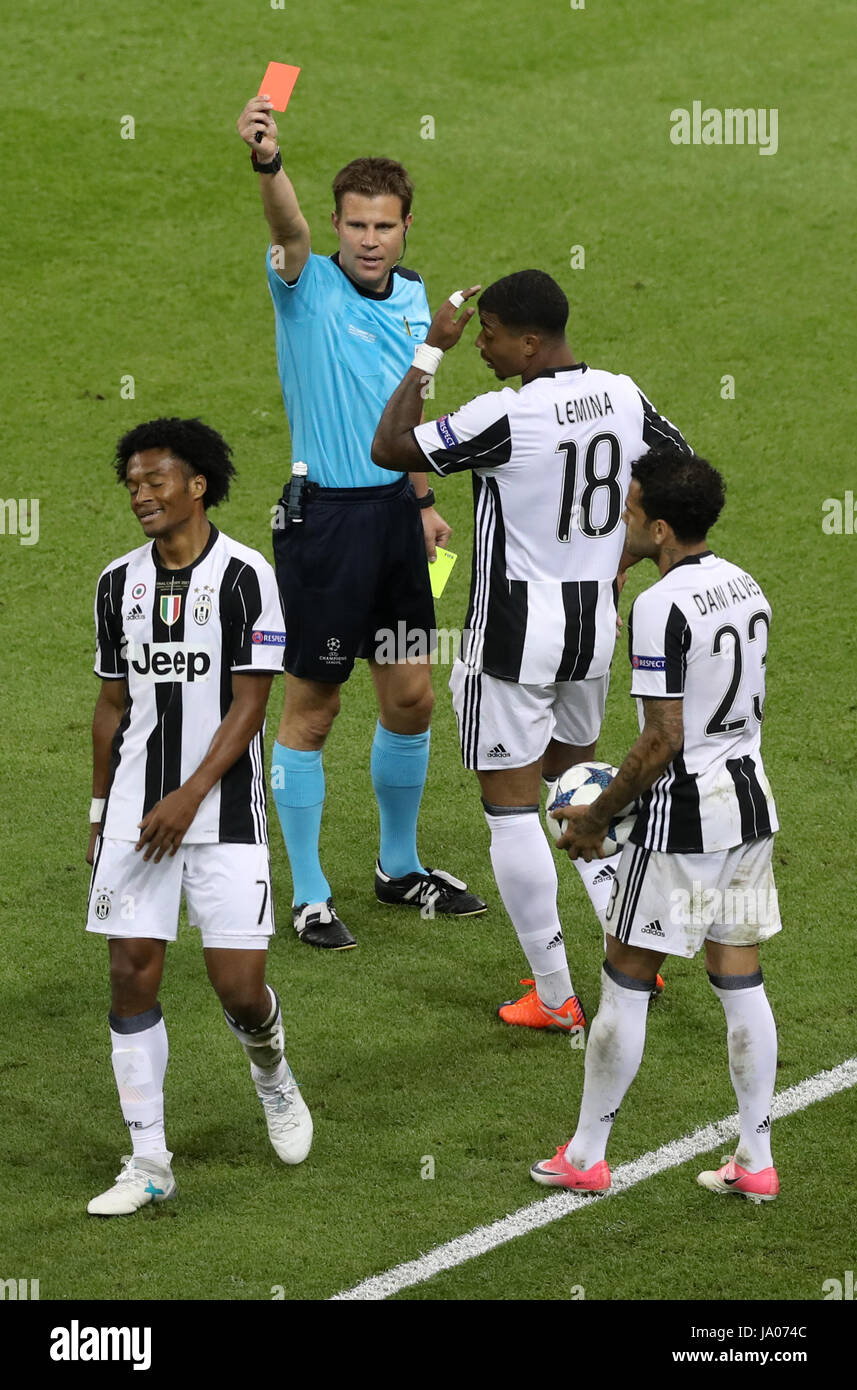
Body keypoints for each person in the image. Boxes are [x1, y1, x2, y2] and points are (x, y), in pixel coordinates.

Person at [371, 270, 690, 1031]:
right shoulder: (620, 392)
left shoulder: (506, 415)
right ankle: (635, 960)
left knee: (511, 812)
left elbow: (389, 447)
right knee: (576, 787)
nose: (477, 344)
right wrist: (632, 552)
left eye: (487, 335)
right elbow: (681, 469)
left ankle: (553, 998)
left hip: (512, 635)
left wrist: (428, 352)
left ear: (527, 341)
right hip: (592, 627)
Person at [235, 95, 485, 951]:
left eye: (383, 225)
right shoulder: (303, 281)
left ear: (405, 227)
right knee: (314, 707)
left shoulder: (418, 299)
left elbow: (402, 413)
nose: (368, 239)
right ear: (335, 225)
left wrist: (419, 499)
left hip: (390, 519)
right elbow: (287, 224)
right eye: (355, 224)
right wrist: (269, 164)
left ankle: (397, 866)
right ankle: (306, 891)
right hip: (325, 526)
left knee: (412, 698)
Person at [530, 444, 782, 1201]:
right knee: (738, 981)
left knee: (626, 979)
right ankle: (755, 1158)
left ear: (663, 527)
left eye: (632, 509)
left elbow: (660, 738)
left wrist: (597, 819)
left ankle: (585, 1153)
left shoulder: (660, 606)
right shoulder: (745, 583)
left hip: (683, 822)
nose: (622, 518)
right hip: (748, 806)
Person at [85, 418, 312, 1218]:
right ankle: (149, 1160)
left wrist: (189, 795)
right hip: (135, 816)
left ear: (197, 486)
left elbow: (253, 705)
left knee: (238, 986)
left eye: (156, 481)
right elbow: (111, 705)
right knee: (130, 969)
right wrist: (99, 808)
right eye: (133, 484)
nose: (141, 495)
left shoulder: (248, 576)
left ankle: (271, 1073)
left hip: (224, 816)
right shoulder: (118, 583)